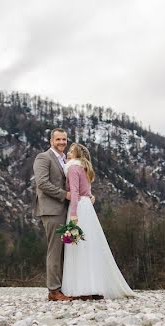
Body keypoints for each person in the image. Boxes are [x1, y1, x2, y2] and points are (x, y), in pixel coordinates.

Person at [61, 143, 135, 299]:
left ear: (76, 155)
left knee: (77, 247)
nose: (68, 153)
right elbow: (87, 191)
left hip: (79, 208)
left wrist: (73, 214)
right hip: (87, 208)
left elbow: (74, 192)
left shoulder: (73, 168)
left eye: (71, 151)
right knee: (90, 246)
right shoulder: (84, 168)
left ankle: (81, 288)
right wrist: (89, 198)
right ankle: (94, 286)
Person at [32, 128, 72, 301]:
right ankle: (53, 291)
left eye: (64, 139)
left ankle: (64, 287)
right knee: (55, 250)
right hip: (51, 210)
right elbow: (42, 183)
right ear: (51, 141)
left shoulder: (65, 159)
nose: (62, 142)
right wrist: (65, 195)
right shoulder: (43, 157)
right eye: (58, 140)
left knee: (66, 249)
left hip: (65, 210)